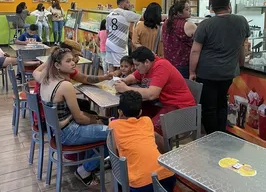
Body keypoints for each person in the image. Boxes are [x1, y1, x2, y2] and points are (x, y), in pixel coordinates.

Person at [39, 47, 108, 186]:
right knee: (113, 133)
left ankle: (89, 163)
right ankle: (85, 170)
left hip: (57, 133)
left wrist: (91, 119)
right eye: (68, 61)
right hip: (70, 133)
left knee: (97, 121)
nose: (73, 63)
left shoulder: (45, 79)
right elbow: (80, 119)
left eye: (73, 60)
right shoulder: (65, 85)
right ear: (57, 65)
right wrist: (94, 120)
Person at [189, 0, 250, 134]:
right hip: (228, 72)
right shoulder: (241, 21)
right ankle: (221, 134)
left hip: (207, 73)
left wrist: (192, 72)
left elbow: (195, 51)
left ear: (212, 8)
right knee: (222, 103)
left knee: (209, 107)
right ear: (229, 5)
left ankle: (212, 137)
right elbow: (242, 46)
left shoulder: (206, 24)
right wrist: (241, 63)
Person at [115, 46, 195, 130]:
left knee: (149, 129)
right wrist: (125, 81)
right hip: (164, 104)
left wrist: (125, 89)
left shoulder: (161, 66)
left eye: (137, 65)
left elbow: (152, 94)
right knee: (133, 114)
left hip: (181, 108)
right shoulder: (146, 66)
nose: (135, 68)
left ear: (146, 62)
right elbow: (134, 76)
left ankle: (154, 141)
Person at [109, 91, 176, 192]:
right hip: (168, 176)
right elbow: (157, 138)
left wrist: (114, 121)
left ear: (120, 112)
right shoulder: (147, 121)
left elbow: (115, 152)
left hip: (140, 185)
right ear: (140, 112)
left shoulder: (114, 126)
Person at [33, 39, 112, 85]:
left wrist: (104, 77)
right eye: (75, 56)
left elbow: (84, 78)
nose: (77, 59)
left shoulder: (65, 68)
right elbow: (36, 73)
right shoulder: (52, 65)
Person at [162, 1, 197, 78]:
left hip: (168, 62)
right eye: (187, 9)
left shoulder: (166, 23)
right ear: (179, 12)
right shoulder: (188, 25)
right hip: (183, 64)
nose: (190, 11)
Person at [106, 0, 141, 70]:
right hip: (119, 45)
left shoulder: (110, 14)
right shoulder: (126, 13)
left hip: (109, 43)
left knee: (111, 66)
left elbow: (107, 31)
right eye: (127, 2)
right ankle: (118, 81)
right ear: (121, 4)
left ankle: (110, 80)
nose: (129, 4)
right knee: (121, 68)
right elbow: (144, 18)